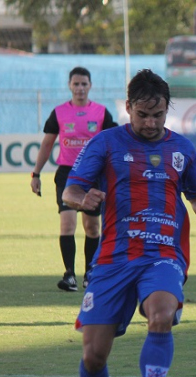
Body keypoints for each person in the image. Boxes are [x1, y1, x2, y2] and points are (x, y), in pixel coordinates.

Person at [61, 69, 196, 377]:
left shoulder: (181, 148)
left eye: (158, 115)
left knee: (162, 314)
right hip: (114, 260)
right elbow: (71, 187)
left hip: (163, 255)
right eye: (143, 115)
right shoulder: (106, 143)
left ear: (167, 110)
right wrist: (81, 200)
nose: (151, 123)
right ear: (128, 108)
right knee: (93, 356)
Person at [30, 66, 118, 292]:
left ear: (90, 86)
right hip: (67, 174)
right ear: (70, 86)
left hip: (93, 174)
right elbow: (47, 144)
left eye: (84, 84)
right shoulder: (59, 113)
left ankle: (90, 272)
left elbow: (112, 143)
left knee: (92, 226)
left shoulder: (101, 112)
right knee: (67, 223)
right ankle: (69, 274)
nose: (80, 88)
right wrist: (36, 173)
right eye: (76, 84)